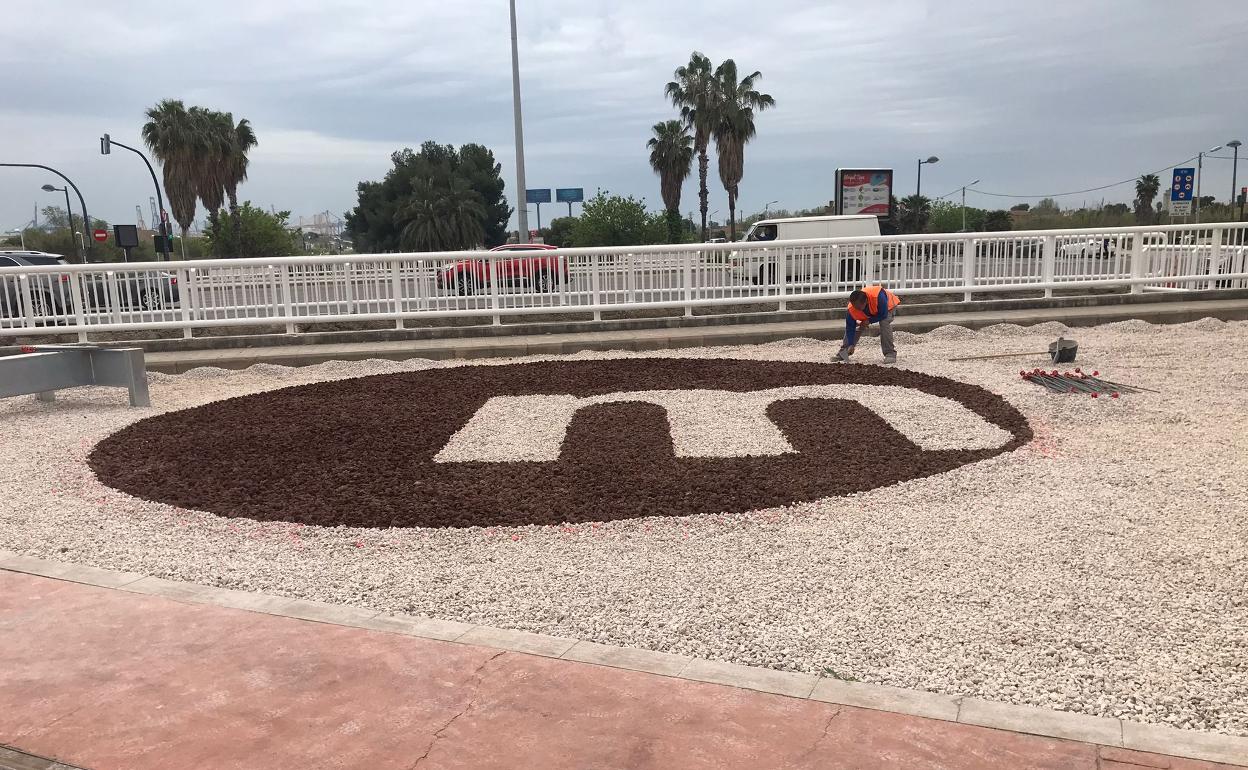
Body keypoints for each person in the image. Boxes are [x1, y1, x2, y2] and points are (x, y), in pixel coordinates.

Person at [835, 286, 901, 364]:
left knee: (884, 322)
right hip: (871, 309)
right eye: (855, 307)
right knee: (856, 326)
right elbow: (850, 327)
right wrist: (851, 344)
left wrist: (869, 321)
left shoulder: (879, 297)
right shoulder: (852, 308)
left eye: (858, 307)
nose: (856, 309)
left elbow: (883, 314)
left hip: (888, 307)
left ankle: (890, 353)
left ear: (866, 301)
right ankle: (844, 352)